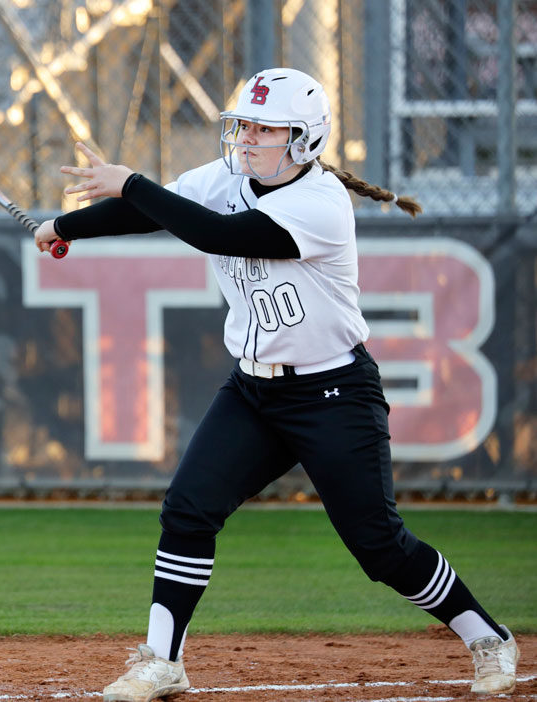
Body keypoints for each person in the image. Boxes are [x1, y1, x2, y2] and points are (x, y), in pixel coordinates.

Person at [33, 67, 520, 702]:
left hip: (332, 392)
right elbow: (151, 211)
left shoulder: (320, 203)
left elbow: (217, 233)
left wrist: (130, 180)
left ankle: (487, 635)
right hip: (253, 391)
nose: (250, 138)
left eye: (268, 129)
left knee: (380, 547)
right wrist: (64, 226)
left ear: (305, 140)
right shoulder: (227, 177)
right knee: (187, 511)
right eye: (246, 125)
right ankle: (162, 660)